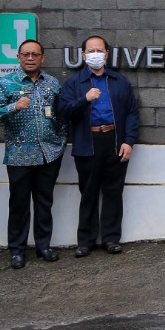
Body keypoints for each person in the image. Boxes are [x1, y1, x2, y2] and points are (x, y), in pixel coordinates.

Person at [0, 39, 68, 269]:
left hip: (49, 154)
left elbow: (61, 117)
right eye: (26, 54)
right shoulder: (5, 83)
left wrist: (59, 143)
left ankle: (44, 246)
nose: (30, 58)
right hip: (19, 155)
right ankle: (17, 250)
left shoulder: (52, 83)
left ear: (43, 58)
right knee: (19, 204)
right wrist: (14, 106)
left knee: (44, 202)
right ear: (18, 57)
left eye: (35, 54)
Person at [58, 35, 140, 256]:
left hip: (114, 140)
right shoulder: (75, 83)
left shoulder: (119, 81)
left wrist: (129, 141)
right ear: (83, 55)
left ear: (107, 54)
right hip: (88, 142)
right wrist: (84, 99)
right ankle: (86, 241)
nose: (95, 54)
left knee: (113, 191)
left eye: (99, 50)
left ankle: (111, 238)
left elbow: (132, 112)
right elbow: (63, 111)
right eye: (91, 51)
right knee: (89, 193)